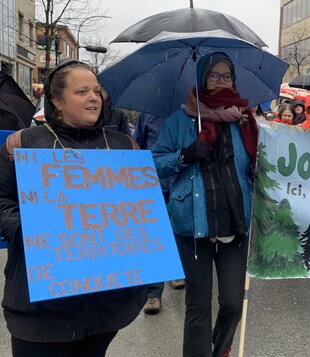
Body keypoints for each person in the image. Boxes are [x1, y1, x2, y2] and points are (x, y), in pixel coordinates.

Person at [0, 60, 146, 356]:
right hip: (40, 309)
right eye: (82, 91)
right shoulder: (24, 145)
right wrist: (32, 228)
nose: (93, 97)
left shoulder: (122, 147)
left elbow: (142, 209)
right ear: (56, 100)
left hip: (103, 307)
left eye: (96, 90)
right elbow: (2, 203)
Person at [152, 52, 257, 357]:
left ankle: (220, 349)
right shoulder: (180, 119)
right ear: (202, 78)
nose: (221, 81)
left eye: (227, 76)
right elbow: (155, 164)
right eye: (214, 75)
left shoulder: (246, 120)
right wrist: (183, 155)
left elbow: (256, 164)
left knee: (234, 304)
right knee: (197, 306)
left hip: (235, 222)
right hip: (192, 226)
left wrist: (259, 167)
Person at [133, 112, 185, 315]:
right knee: (154, 237)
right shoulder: (147, 115)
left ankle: (176, 271)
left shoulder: (190, 113)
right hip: (153, 182)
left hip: (183, 183)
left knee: (180, 232)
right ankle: (153, 293)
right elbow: (138, 145)